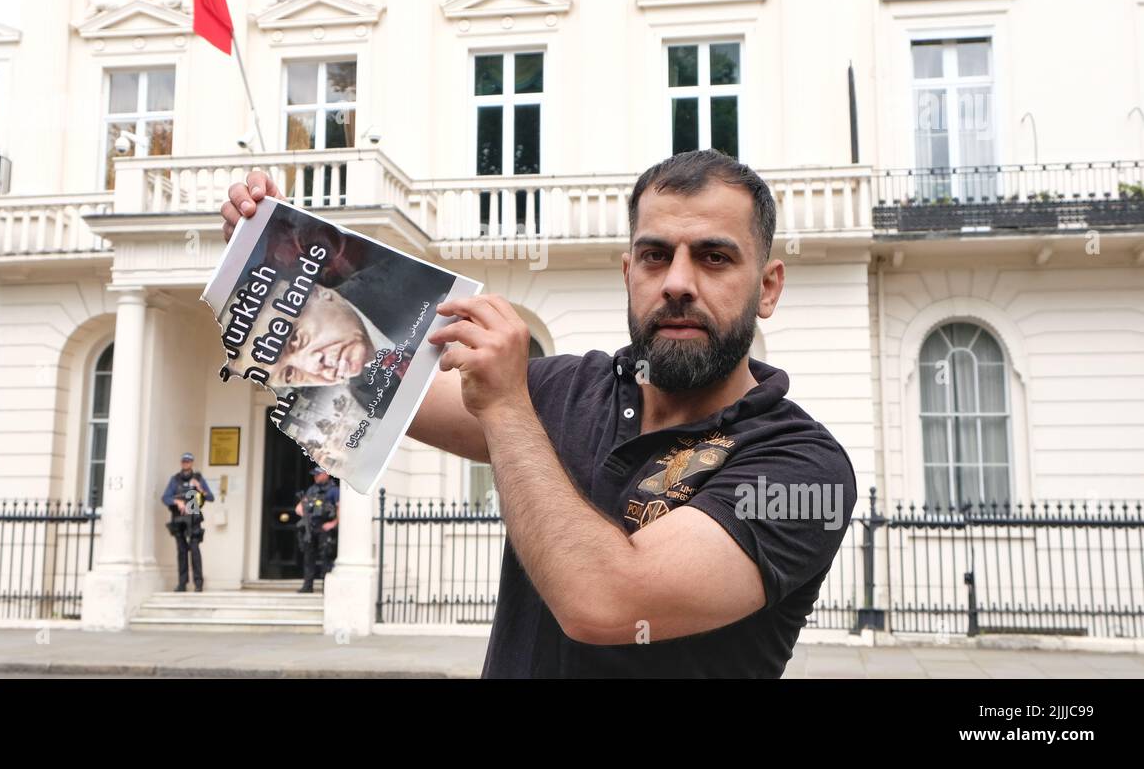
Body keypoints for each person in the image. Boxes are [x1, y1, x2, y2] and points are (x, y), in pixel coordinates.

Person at [221, 148, 858, 677]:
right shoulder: (566, 387)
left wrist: (505, 404)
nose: (678, 283)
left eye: (714, 257)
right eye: (656, 256)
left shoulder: (802, 468)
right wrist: (273, 274)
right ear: (629, 271)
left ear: (768, 286)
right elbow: (379, 387)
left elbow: (605, 604)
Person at [161, 452, 214, 592]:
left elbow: (210, 497)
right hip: (179, 520)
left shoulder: (198, 479)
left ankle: (198, 583)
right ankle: (182, 583)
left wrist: (199, 488)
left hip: (194, 520)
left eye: (188, 461)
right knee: (181, 551)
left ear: (192, 463)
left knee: (195, 550)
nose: (186, 463)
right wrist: (176, 501)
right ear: (181, 463)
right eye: (184, 461)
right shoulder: (175, 480)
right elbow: (165, 497)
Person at [294, 466, 339, 593]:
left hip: (325, 527)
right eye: (314, 475)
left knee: (326, 557)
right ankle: (308, 586)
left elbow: (340, 508)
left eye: (318, 474)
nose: (315, 477)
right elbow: (299, 508)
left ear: (326, 474)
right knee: (308, 557)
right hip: (311, 527)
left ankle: (327, 588)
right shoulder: (311, 490)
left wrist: (334, 523)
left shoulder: (334, 491)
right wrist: (307, 515)